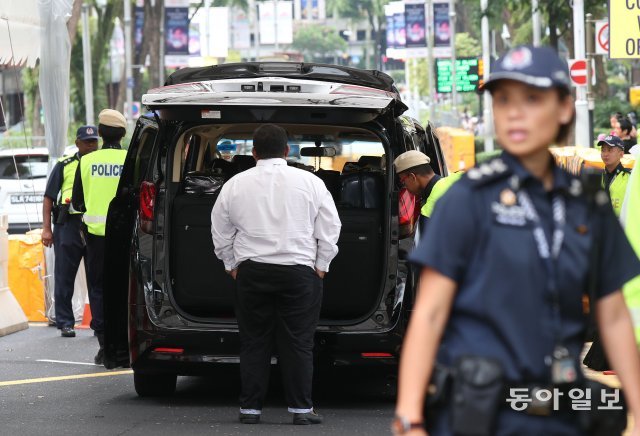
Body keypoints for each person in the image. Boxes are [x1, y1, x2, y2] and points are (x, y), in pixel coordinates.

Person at [393, 45, 640, 436]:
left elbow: (612, 315)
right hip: (476, 411)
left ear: (562, 108)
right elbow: (430, 313)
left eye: (531, 98)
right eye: (503, 99)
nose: (514, 111)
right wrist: (409, 414)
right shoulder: (466, 198)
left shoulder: (587, 206)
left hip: (559, 409)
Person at [210, 124, 341, 426]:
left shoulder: (235, 184)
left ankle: (250, 409)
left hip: (252, 272)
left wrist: (231, 263)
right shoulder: (311, 182)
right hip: (300, 272)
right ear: (286, 151)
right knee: (298, 342)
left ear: (253, 152)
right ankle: (301, 409)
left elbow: (219, 229)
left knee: (254, 340)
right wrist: (321, 264)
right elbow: (330, 227)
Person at [71, 109, 127, 365]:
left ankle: (106, 347)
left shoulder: (86, 162)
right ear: (124, 134)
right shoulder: (131, 159)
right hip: (127, 238)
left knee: (99, 290)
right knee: (126, 289)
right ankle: (125, 347)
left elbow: (79, 203)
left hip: (96, 240)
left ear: (101, 133)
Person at [41, 126, 98, 337]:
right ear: (78, 143)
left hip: (93, 225)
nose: (92, 146)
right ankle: (65, 321)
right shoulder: (64, 166)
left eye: (94, 141)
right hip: (68, 225)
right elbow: (48, 197)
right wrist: (47, 229)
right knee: (65, 275)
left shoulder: (100, 166)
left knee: (96, 277)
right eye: (88, 142)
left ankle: (99, 322)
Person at [393, 150, 460, 233]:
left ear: (412, 177)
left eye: (403, 181)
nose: (404, 186)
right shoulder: (459, 178)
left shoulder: (429, 212)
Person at [600, 135, 631, 217]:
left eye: (610, 150)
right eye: (603, 150)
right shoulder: (597, 177)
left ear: (621, 154)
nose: (605, 154)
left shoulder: (630, 177)